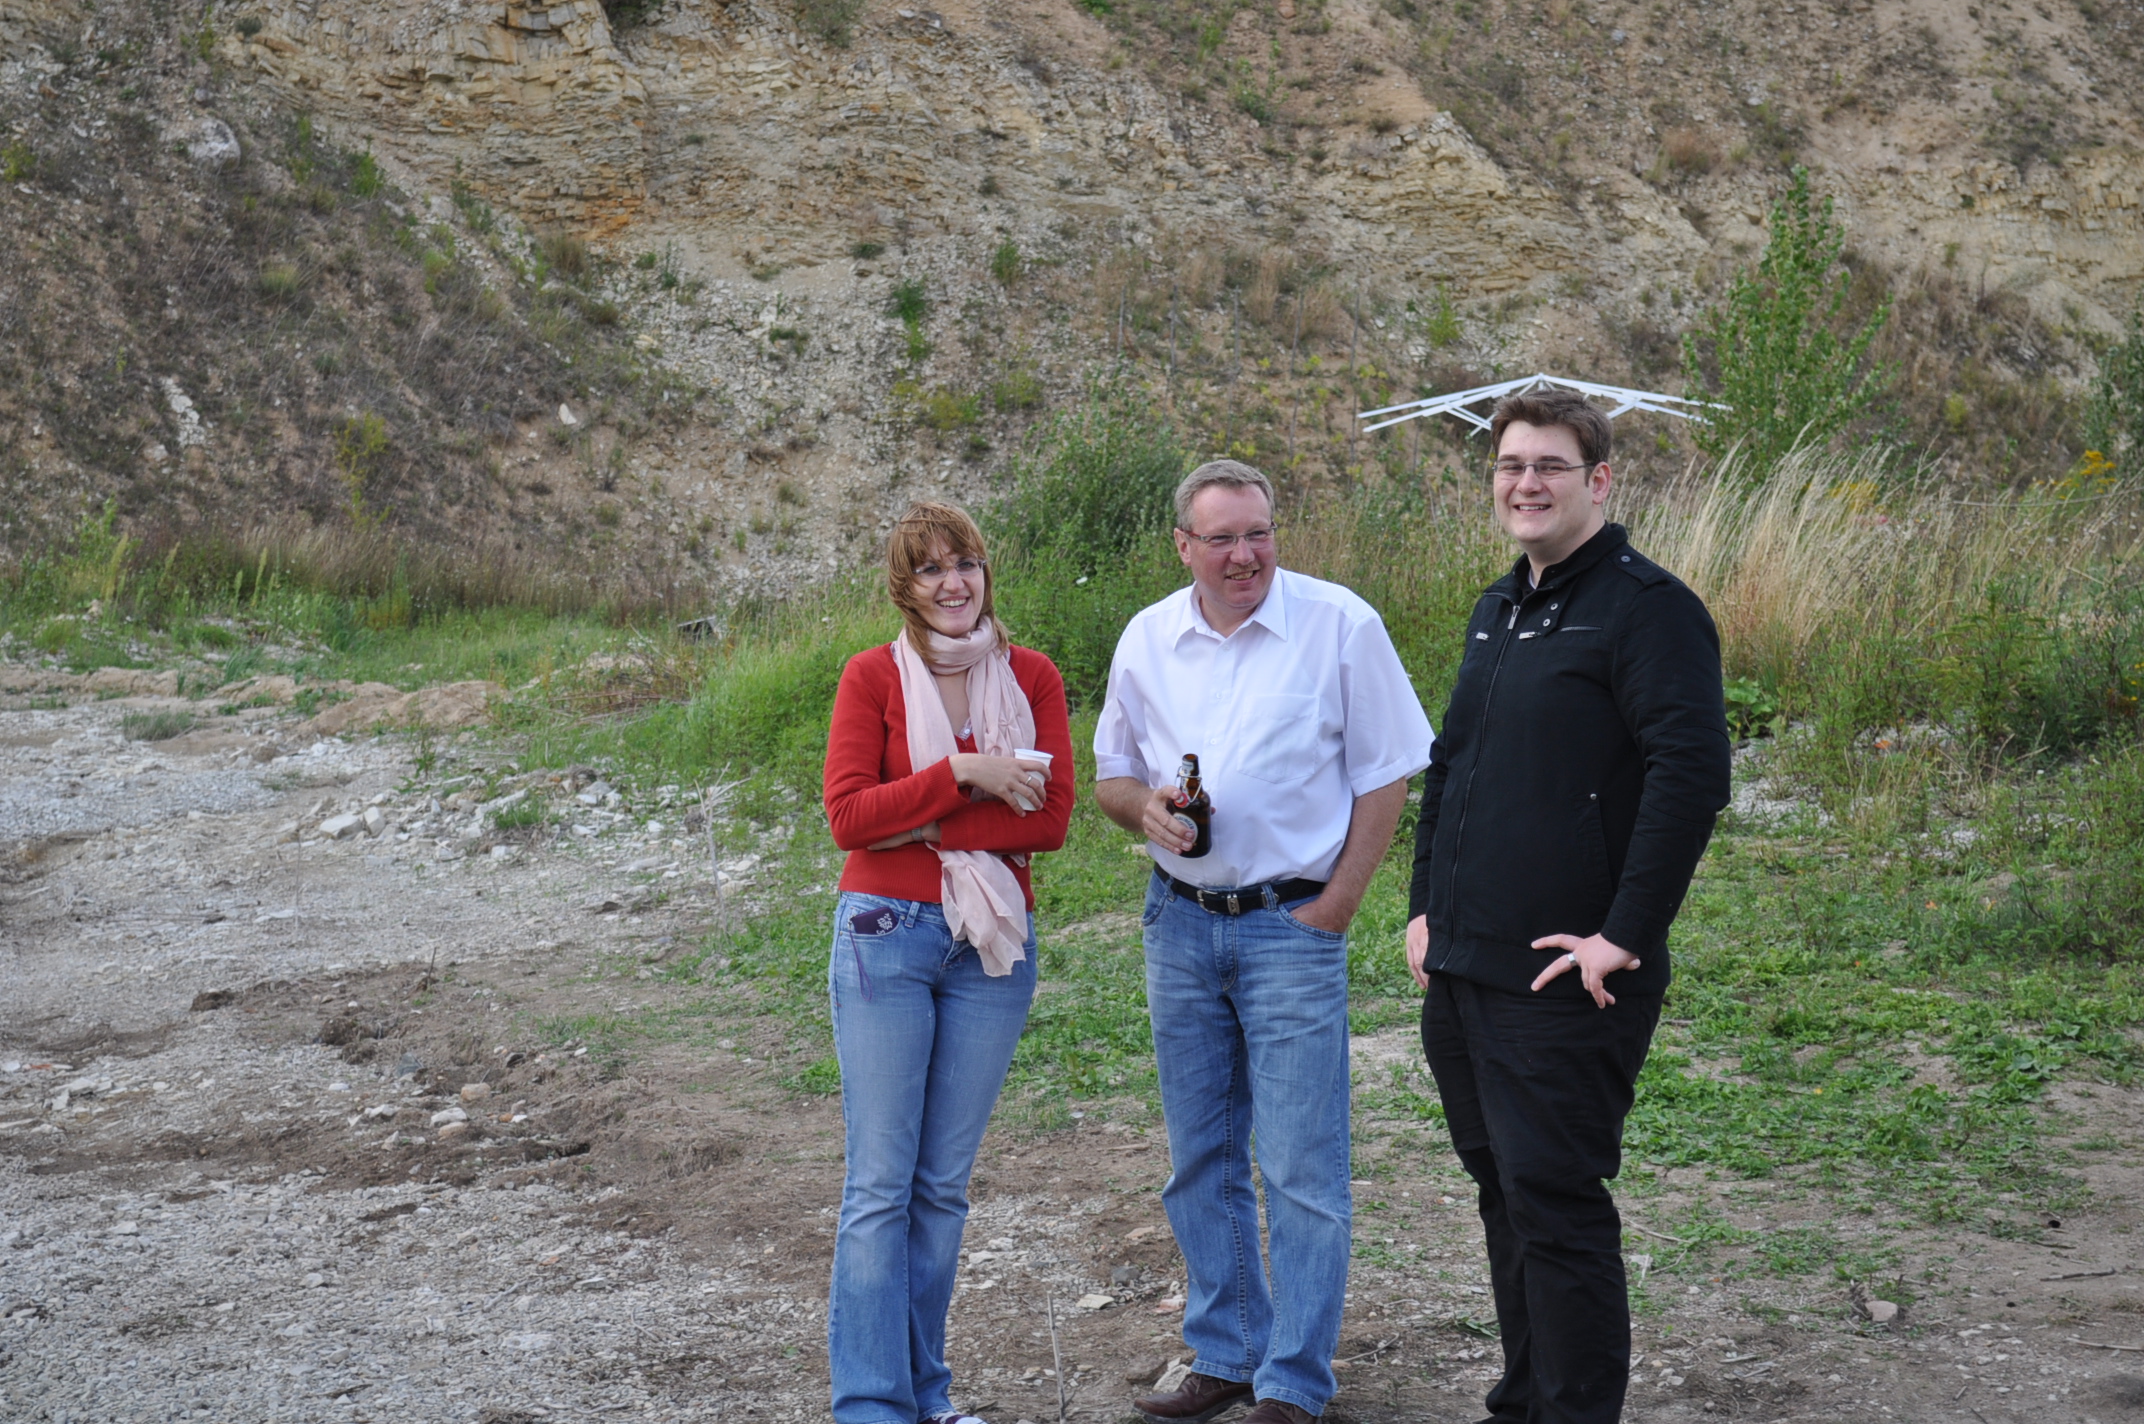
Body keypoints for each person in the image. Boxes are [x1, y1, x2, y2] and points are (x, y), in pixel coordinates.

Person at [1406, 389, 1732, 1424]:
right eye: (1510, 464)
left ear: (1598, 480)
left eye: (1549, 465)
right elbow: (1451, 764)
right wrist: (1424, 908)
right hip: (1467, 966)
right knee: (1506, 1199)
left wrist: (1624, 935)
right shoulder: (1498, 606)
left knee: (1555, 1205)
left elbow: (1691, 776)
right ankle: (1525, 1403)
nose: (1526, 483)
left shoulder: (1648, 608)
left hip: (1564, 977)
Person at [1095, 460, 1435, 1424]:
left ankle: (1293, 1383)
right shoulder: (1148, 638)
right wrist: (1143, 810)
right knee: (1200, 1157)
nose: (1245, 555)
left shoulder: (1340, 625)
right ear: (1183, 546)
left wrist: (1338, 904)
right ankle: (1227, 1352)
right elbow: (1113, 773)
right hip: (1179, 922)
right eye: (1222, 539)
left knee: (1300, 1168)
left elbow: (1388, 774)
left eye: (1259, 533)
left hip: (1292, 925)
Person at [822, 501, 1076, 1424]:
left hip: (991, 945)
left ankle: (926, 1396)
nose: (952, 581)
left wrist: (919, 821)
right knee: (881, 1185)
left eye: (964, 561)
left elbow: (1049, 821)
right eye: (929, 568)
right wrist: (967, 776)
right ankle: (870, 1405)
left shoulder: (1033, 676)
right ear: (906, 585)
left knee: (939, 1188)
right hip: (885, 932)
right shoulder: (871, 677)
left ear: (984, 571)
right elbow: (849, 816)